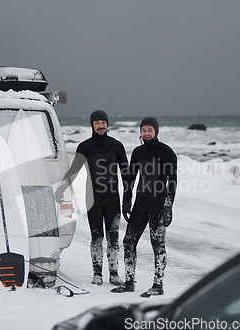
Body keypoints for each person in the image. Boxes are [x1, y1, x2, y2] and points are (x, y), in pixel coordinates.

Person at [55, 110, 128, 286]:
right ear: (92, 125)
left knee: (113, 237)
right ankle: (97, 273)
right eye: (97, 123)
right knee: (96, 237)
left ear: (108, 124)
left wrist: (127, 198)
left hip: (113, 199)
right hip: (93, 199)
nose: (101, 126)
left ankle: (114, 273)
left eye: (104, 122)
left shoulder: (116, 146)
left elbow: (126, 174)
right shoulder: (85, 147)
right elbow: (74, 170)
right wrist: (62, 188)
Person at [112, 117, 177, 298]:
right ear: (140, 132)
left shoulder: (166, 152)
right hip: (141, 204)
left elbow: (172, 181)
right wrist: (127, 199)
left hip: (158, 205)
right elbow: (131, 178)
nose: (147, 133)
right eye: (144, 130)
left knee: (158, 245)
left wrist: (168, 206)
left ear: (156, 131)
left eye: (150, 130)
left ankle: (158, 284)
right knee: (128, 242)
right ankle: (129, 282)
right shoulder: (138, 152)